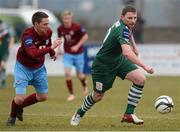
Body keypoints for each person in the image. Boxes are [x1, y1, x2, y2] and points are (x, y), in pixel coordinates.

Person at [70, 5, 154, 126]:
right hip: (103, 66)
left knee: (140, 79)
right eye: (130, 18)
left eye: (135, 18)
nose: (133, 21)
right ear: (122, 17)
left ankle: (128, 114)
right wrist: (145, 66)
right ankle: (80, 112)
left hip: (118, 61)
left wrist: (134, 46)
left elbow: (129, 33)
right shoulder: (120, 29)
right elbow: (127, 53)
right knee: (97, 96)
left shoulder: (125, 25)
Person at [6, 11, 62, 126]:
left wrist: (51, 52)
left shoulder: (49, 32)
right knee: (19, 98)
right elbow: (33, 54)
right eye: (45, 24)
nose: (48, 26)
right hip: (23, 68)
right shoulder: (28, 35)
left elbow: (47, 44)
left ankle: (19, 108)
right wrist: (51, 47)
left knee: (43, 97)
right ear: (36, 24)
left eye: (48, 23)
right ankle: (12, 116)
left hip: (39, 68)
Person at [57, 10, 89, 101]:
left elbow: (85, 36)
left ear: (71, 18)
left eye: (68, 18)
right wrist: (59, 48)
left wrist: (77, 46)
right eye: (65, 18)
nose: (66, 20)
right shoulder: (60, 28)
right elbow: (60, 38)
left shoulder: (77, 27)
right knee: (67, 73)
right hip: (67, 54)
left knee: (79, 75)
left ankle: (84, 84)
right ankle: (71, 94)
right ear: (62, 19)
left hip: (79, 54)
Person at [0, 19, 14, 88]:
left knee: (2, 64)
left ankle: (3, 81)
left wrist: (10, 46)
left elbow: (12, 38)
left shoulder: (6, 33)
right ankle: (3, 76)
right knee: (2, 67)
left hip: (4, 51)